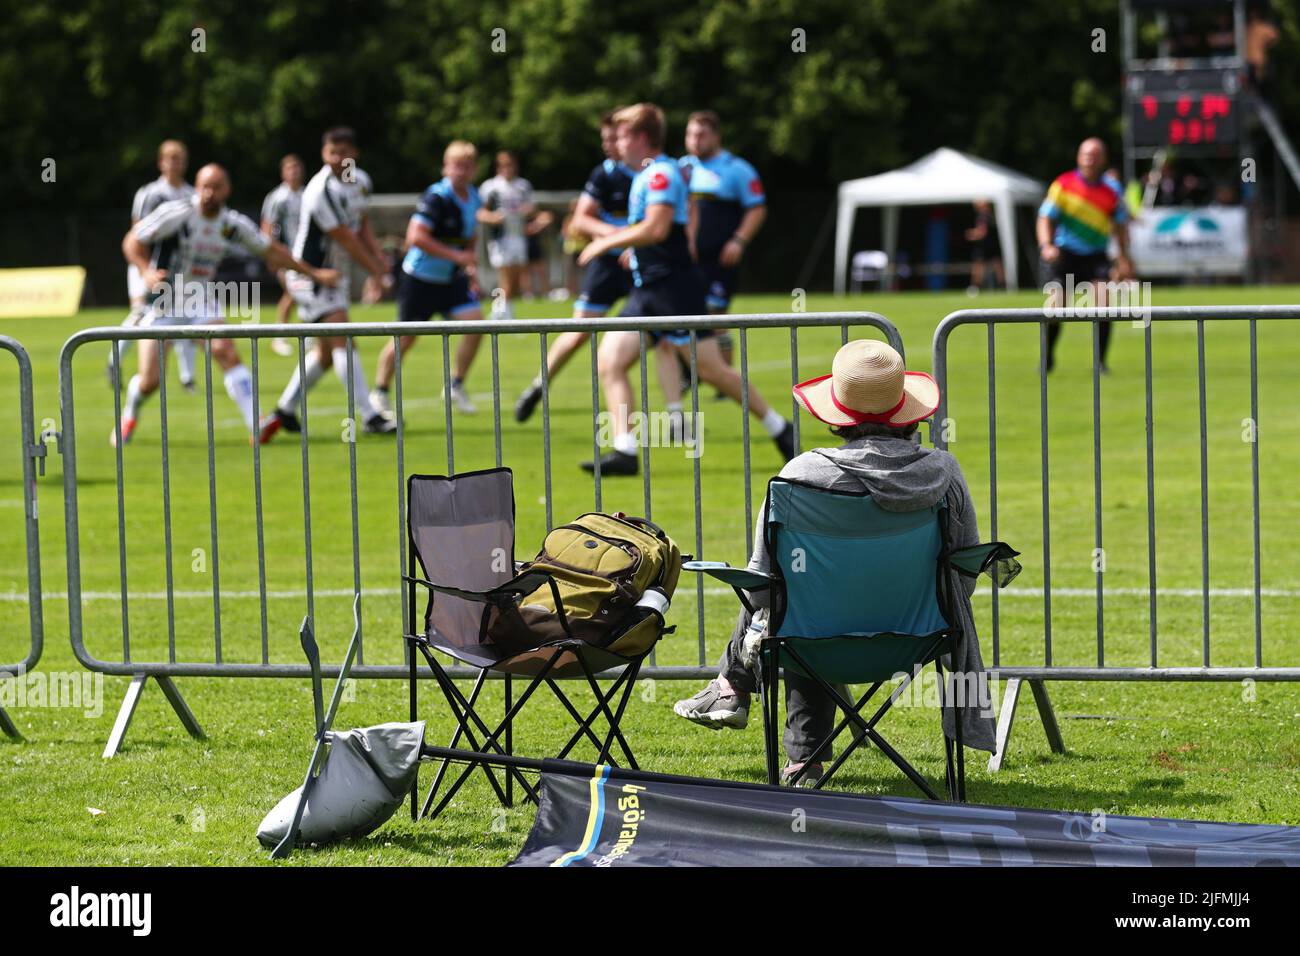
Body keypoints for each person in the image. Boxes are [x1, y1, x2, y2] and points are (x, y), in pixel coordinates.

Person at [673, 339, 996, 786]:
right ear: (906, 410)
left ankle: (755, 712)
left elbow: (761, 591)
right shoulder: (943, 472)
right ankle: (748, 704)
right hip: (919, 639)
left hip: (814, 643)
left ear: (837, 413)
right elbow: (964, 573)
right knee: (802, 605)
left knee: (794, 606)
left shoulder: (798, 476)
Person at [576, 103, 794, 476]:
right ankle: (626, 452)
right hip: (648, 292)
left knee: (711, 370)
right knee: (609, 360)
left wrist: (604, 243)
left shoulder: (661, 174)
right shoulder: (651, 174)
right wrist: (637, 249)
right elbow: (673, 221)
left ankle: (780, 428)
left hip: (674, 291)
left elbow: (658, 228)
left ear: (642, 138)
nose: (616, 143)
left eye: (623, 135)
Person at [113, 163, 340, 446]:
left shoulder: (232, 225)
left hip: (201, 300)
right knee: (150, 381)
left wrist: (314, 273)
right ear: (197, 187)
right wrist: (146, 271)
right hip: (164, 303)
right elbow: (131, 241)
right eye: (204, 186)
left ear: (227, 190)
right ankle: (129, 414)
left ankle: (256, 424)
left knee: (226, 351)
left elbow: (273, 251)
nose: (209, 193)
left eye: (216, 187)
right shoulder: (178, 213)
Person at [258, 127, 396, 443]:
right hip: (310, 275)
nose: (338, 158)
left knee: (323, 353)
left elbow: (361, 227)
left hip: (334, 275)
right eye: (332, 152)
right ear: (323, 154)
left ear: (354, 154)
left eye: (344, 152)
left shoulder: (360, 183)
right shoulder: (319, 189)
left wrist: (379, 262)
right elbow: (344, 238)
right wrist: (377, 271)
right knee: (344, 338)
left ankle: (284, 409)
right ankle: (370, 415)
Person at [514, 111, 635, 423]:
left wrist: (638, 241)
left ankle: (678, 409)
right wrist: (615, 237)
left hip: (644, 264)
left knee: (668, 330)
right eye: (605, 140)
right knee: (579, 328)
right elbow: (582, 219)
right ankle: (538, 385)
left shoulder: (650, 171)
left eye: (614, 138)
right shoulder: (603, 175)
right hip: (608, 263)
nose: (609, 145)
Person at [368, 140, 486, 419]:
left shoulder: (474, 196)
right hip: (420, 279)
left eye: (467, 166)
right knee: (405, 339)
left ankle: (456, 385)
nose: (461, 171)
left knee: (477, 324)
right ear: (445, 167)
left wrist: (469, 267)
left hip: (451, 280)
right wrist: (456, 257)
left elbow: (470, 236)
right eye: (456, 165)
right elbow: (416, 237)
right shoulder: (436, 197)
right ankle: (380, 391)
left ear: (475, 170)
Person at [679, 110, 766, 385]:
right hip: (686, 260)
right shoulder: (679, 169)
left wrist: (738, 240)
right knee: (684, 312)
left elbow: (757, 208)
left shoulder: (736, 169)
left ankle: (724, 376)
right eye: (691, 134)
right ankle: (689, 373)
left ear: (716, 136)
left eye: (702, 134)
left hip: (720, 259)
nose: (696, 140)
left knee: (716, 316)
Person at [1037, 138, 1133, 373]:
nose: (1089, 159)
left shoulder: (1112, 190)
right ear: (1079, 157)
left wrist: (1123, 258)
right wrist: (1046, 245)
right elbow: (1045, 218)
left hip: (1096, 257)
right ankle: (1047, 357)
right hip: (1065, 255)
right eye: (1085, 154)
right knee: (1055, 308)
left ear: (1103, 159)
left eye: (1094, 155)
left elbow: (1119, 227)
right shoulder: (1064, 184)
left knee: (1104, 305)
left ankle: (1100, 362)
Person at [110, 139, 197, 390]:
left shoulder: (192, 195)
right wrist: (145, 269)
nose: (176, 164)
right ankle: (115, 359)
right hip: (145, 266)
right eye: (171, 158)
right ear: (161, 162)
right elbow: (138, 233)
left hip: (177, 271)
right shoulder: (150, 193)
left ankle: (186, 377)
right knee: (141, 314)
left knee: (182, 316)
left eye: (180, 158)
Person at [478, 151, 548, 321]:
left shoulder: (523, 186)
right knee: (505, 275)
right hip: (500, 237)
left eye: (510, 164)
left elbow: (532, 210)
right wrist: (494, 218)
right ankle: (500, 311)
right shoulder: (491, 187)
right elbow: (480, 212)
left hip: (519, 236)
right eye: (503, 165)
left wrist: (532, 215)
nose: (507, 168)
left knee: (515, 278)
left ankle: (504, 309)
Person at [260, 153, 306, 357]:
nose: (294, 172)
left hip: (305, 254)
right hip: (285, 254)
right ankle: (280, 336)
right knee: (294, 292)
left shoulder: (307, 194)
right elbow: (267, 227)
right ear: (283, 173)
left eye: (297, 167)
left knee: (300, 293)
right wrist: (271, 255)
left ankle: (308, 335)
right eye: (290, 168)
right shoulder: (277, 197)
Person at [964, 199, 1004, 293]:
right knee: (997, 266)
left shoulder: (982, 217)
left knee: (978, 268)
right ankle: (1003, 286)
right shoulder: (992, 215)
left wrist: (971, 234)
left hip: (984, 247)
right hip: (992, 245)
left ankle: (975, 287)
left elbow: (982, 232)